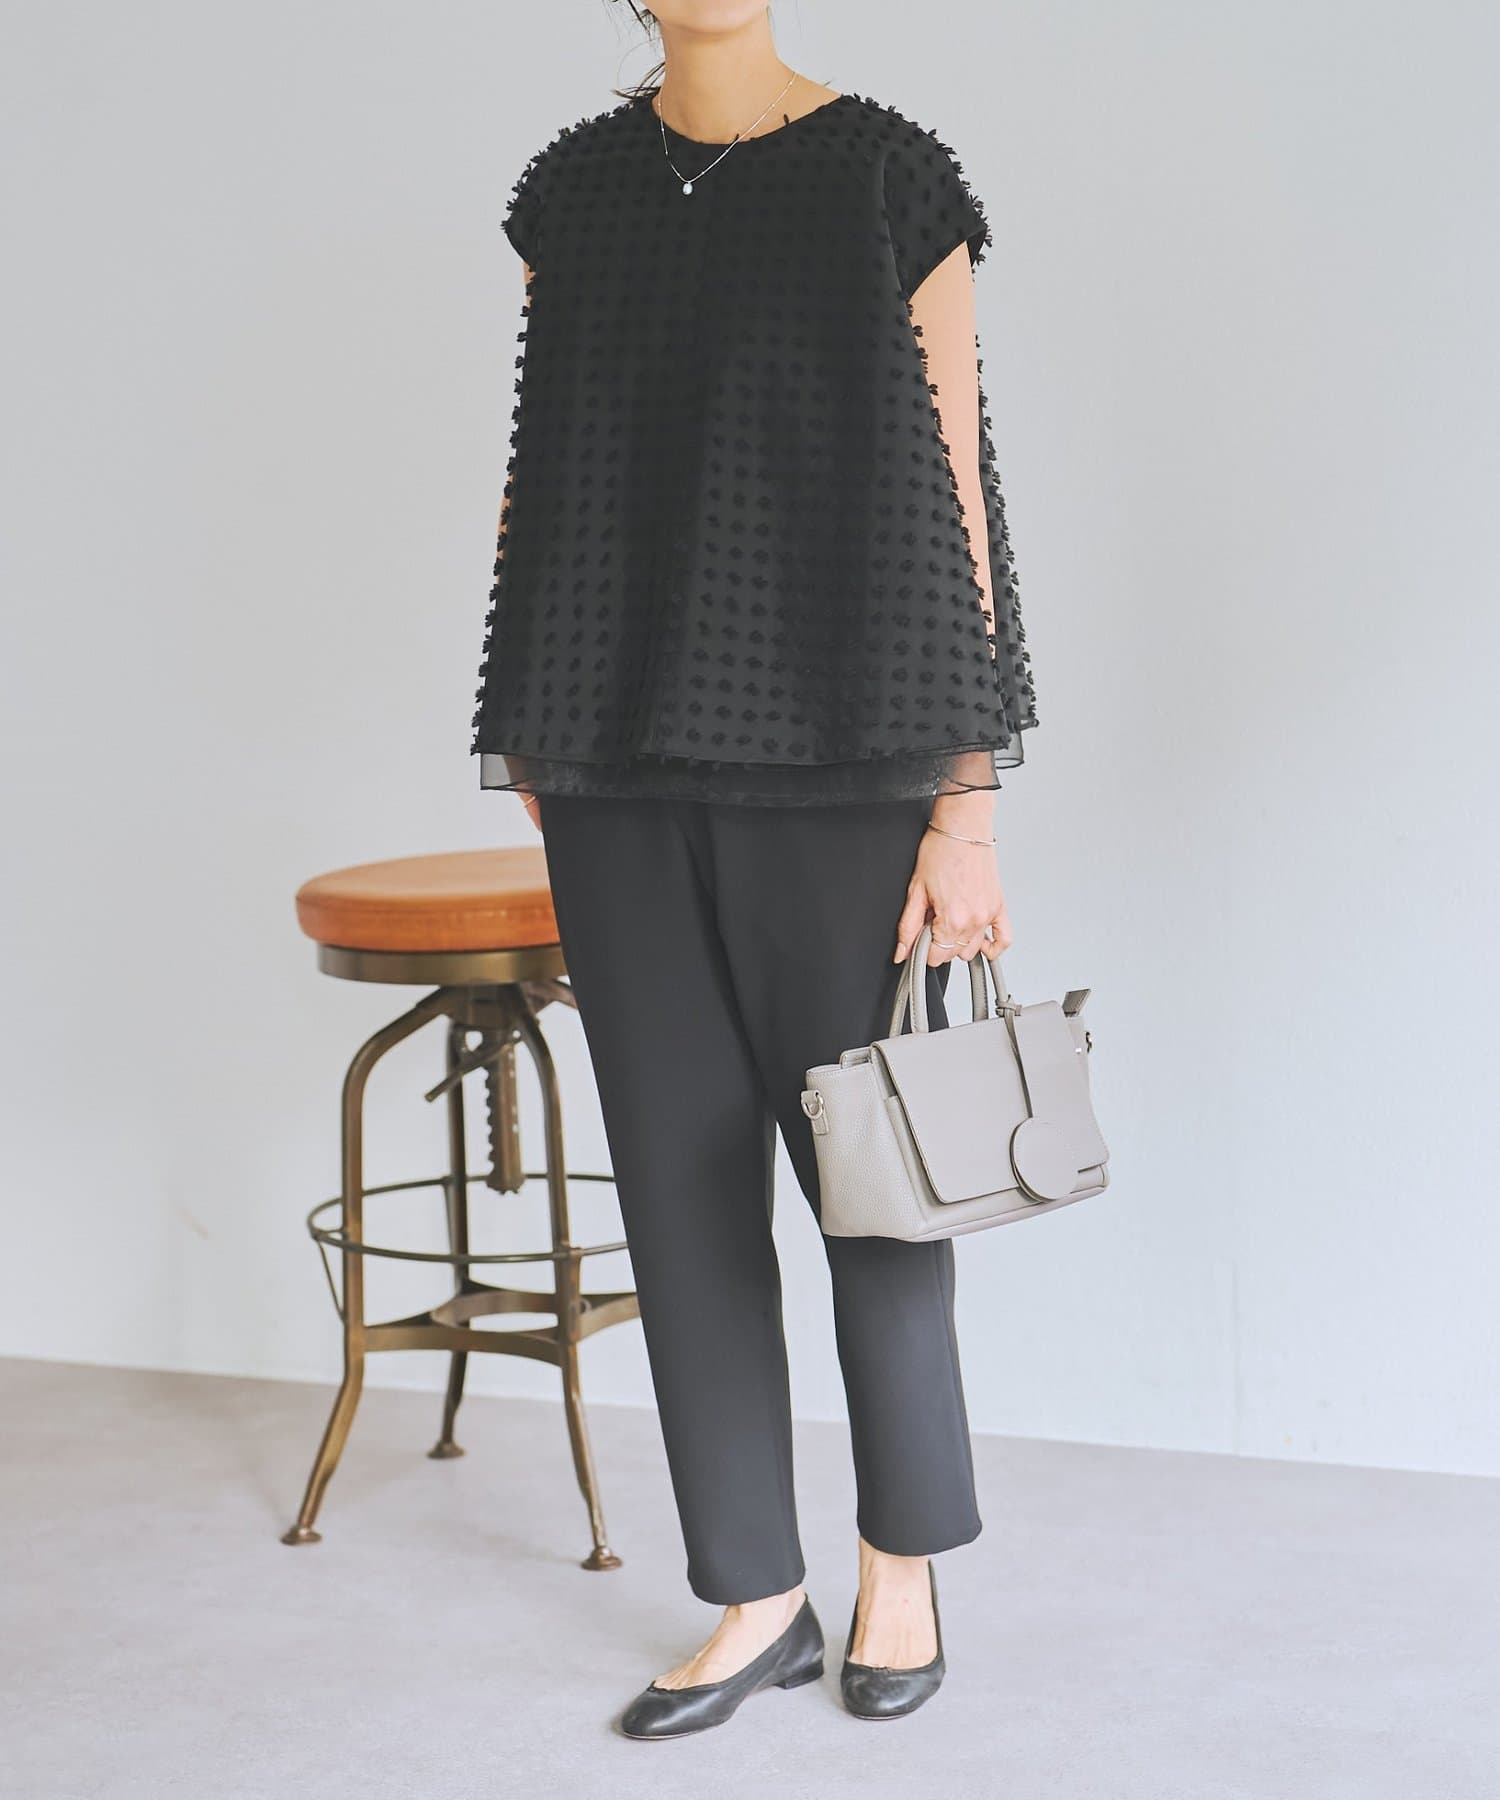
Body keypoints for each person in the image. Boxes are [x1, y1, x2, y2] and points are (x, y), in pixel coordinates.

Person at [469, 0, 1037, 1740]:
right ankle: (753, 1595)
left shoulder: (888, 177)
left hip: (851, 758)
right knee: (680, 1191)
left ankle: (899, 1567)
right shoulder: (573, 194)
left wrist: (965, 808)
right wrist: (537, 731)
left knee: (877, 1187)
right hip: (614, 759)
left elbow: (957, 493)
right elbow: (544, 476)